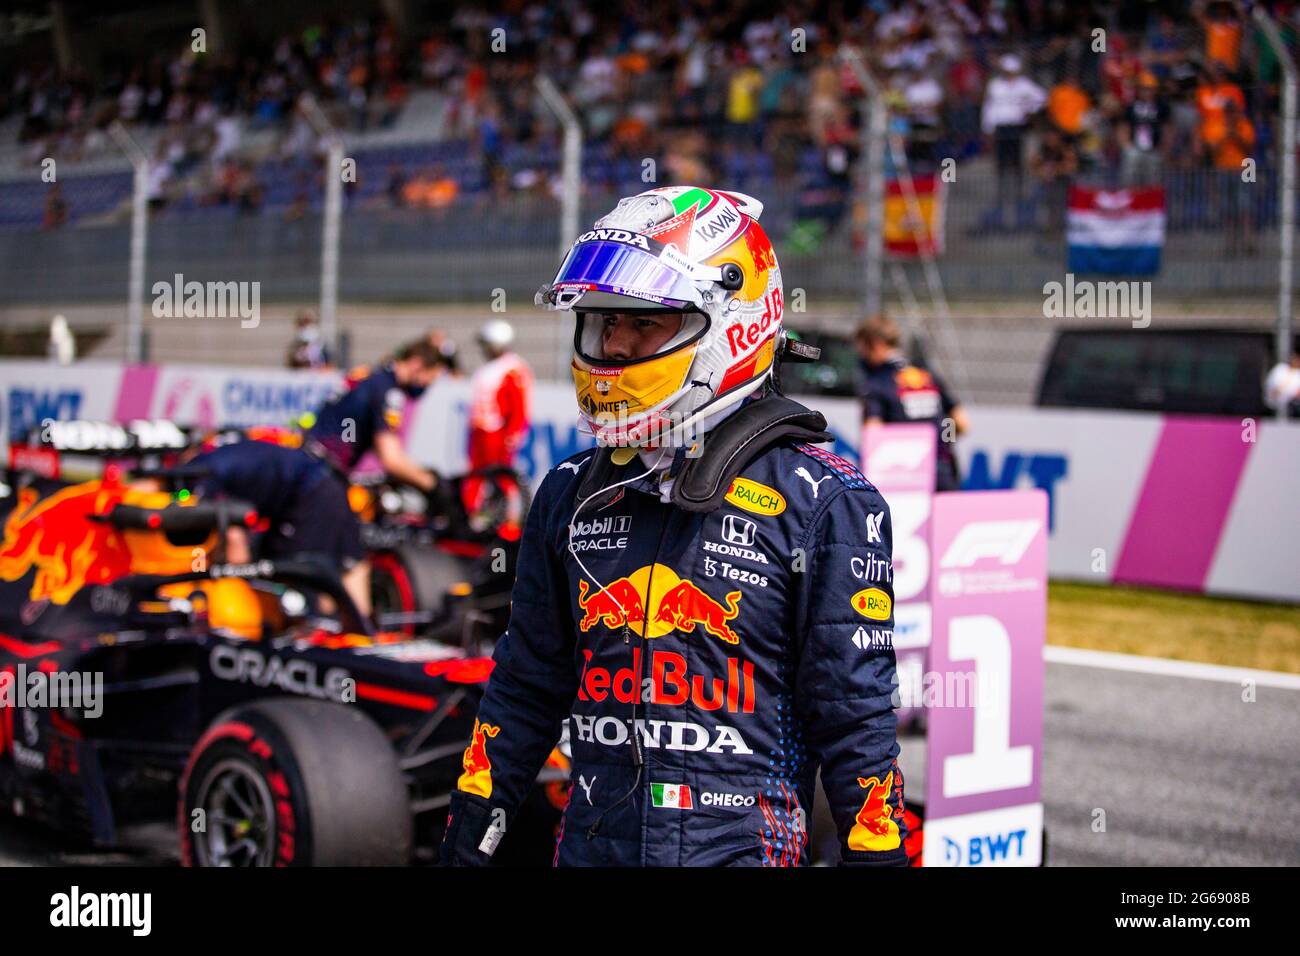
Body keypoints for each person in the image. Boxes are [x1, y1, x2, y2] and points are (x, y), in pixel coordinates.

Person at [439, 186, 907, 867]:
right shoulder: (571, 490)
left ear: (731, 327)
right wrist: (467, 842)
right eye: (604, 321)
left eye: (645, 324)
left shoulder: (825, 502)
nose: (614, 344)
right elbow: (524, 690)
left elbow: (855, 720)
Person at [303, 337, 453, 611]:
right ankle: (345, 625)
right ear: (417, 364)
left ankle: (330, 618)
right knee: (349, 558)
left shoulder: (368, 377)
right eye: (429, 380)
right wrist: (433, 484)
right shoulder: (387, 391)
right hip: (323, 476)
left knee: (332, 554)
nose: (426, 388)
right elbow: (391, 458)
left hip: (313, 468)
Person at [855, 314, 969, 492]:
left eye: (862, 350)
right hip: (942, 471)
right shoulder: (926, 374)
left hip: (902, 476)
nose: (861, 357)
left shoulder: (876, 382)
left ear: (876, 345)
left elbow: (873, 433)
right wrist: (942, 441)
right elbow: (962, 423)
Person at [464, 319, 532, 512]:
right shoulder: (489, 368)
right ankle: (470, 512)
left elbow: (518, 404)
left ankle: (510, 516)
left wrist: (513, 432)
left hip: (498, 432)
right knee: (476, 474)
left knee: (502, 477)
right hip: (480, 430)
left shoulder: (513, 368)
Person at [1265, 341, 1300, 414]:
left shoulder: (1298, 374)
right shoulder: (1280, 368)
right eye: (1295, 358)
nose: (1296, 360)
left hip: (1292, 411)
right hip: (1272, 408)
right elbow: (1273, 388)